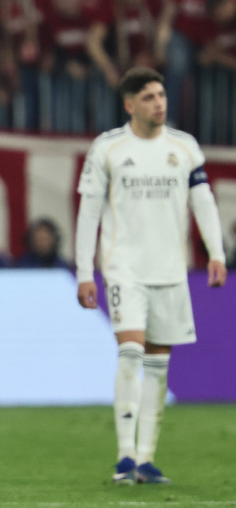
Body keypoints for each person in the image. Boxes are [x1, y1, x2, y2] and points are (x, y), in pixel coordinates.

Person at [75, 67, 227, 486]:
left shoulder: (184, 147)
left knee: (159, 365)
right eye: (149, 97)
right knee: (130, 353)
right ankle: (124, 455)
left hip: (171, 271)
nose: (159, 102)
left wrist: (216, 252)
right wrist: (85, 270)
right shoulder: (108, 148)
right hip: (124, 268)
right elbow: (88, 212)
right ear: (129, 105)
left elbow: (204, 202)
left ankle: (146, 458)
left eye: (161, 95)